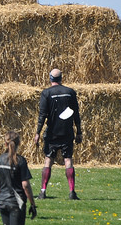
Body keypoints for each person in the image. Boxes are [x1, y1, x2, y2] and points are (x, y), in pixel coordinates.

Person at [33, 68, 83, 200]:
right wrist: (79, 131)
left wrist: (37, 132)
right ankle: (72, 192)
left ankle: (43, 191)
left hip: (52, 133)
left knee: (48, 160)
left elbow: (42, 115)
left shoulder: (46, 93)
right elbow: (75, 114)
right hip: (67, 131)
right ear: (61, 78)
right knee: (68, 160)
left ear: (50, 78)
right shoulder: (70, 92)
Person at [0, 131, 37, 225]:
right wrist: (32, 204)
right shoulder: (20, 161)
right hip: (16, 202)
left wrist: (3, 196)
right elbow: (25, 185)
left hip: (2, 202)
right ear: (19, 143)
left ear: (5, 143)